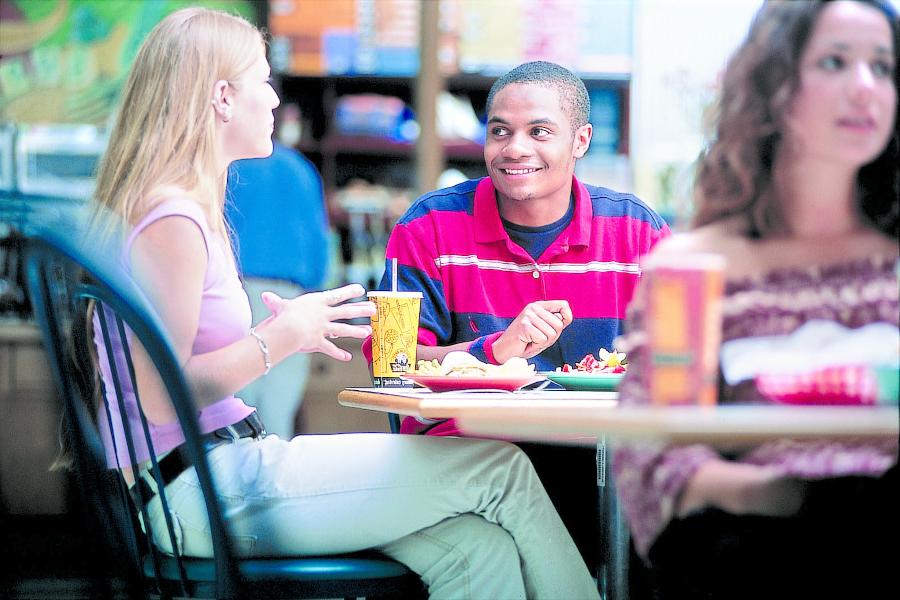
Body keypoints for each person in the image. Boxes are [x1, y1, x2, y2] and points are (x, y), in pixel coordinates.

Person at [85, 8, 601, 599]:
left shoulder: (174, 209)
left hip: (220, 473)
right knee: (503, 469)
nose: (276, 99)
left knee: (478, 548)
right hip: (199, 489)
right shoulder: (172, 219)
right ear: (223, 98)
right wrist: (284, 335)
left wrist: (289, 333)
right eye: (263, 80)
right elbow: (159, 395)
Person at [613, 2, 899, 598]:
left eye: (884, 66)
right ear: (773, 87)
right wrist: (780, 497)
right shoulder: (693, 268)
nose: (866, 88)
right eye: (834, 61)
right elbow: (654, 455)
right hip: (758, 547)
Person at [365, 60, 670, 569]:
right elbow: (388, 363)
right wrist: (493, 352)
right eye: (499, 131)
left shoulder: (637, 232)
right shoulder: (429, 226)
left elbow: (684, 358)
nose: (514, 148)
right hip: (469, 462)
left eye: (539, 131)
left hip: (603, 461)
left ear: (581, 140)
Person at [225, 141, 329, 438]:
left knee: (235, 406)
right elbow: (319, 242)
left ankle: (232, 483)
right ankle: (267, 483)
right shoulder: (300, 167)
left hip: (237, 289)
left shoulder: (232, 163)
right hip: (292, 297)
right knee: (278, 409)